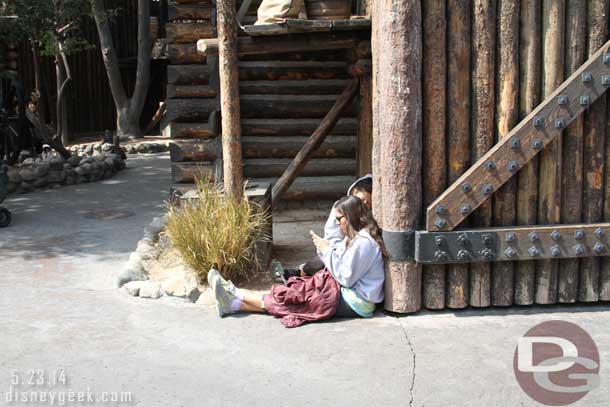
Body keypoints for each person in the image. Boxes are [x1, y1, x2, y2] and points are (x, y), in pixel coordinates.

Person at [208, 195, 386, 327]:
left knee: (299, 302)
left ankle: (234, 293)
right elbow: (337, 253)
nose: (338, 223)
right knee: (297, 291)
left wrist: (326, 251)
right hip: (347, 291)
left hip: (357, 301)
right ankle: (233, 302)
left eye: (340, 219)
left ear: (350, 216)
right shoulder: (356, 237)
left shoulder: (364, 243)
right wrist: (325, 248)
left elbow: (345, 276)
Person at [279, 174, 373, 281]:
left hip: (353, 256)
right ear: (355, 191)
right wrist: (335, 252)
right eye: (363, 199)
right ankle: (301, 271)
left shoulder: (366, 220)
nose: (365, 204)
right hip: (339, 251)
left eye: (369, 203)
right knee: (322, 262)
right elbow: (333, 237)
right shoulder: (341, 207)